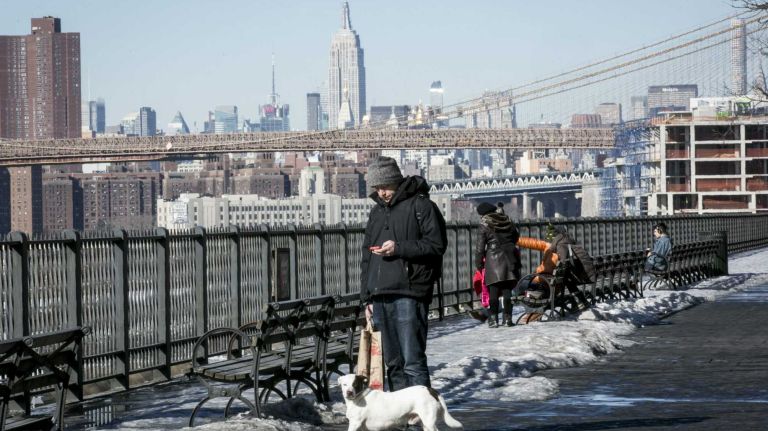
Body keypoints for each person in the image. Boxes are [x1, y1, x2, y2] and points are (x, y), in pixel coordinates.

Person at [360, 156, 447, 391]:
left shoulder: (422, 206)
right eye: (377, 188)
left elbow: (436, 245)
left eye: (385, 186)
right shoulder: (376, 213)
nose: (381, 193)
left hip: (410, 292)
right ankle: (400, 409)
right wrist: (367, 298)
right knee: (393, 364)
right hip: (380, 296)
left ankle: (420, 408)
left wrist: (399, 248)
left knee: (412, 361)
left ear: (396, 181)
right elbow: (367, 257)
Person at [517, 224, 595, 310]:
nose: (547, 240)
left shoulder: (556, 251)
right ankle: (579, 301)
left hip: (546, 283)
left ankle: (529, 306)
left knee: (522, 286)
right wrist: (517, 240)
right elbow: (535, 243)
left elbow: (537, 245)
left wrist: (515, 240)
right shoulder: (566, 245)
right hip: (555, 283)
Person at [474, 202, 521, 327]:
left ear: (483, 214)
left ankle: (493, 319)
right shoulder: (507, 219)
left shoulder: (484, 224)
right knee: (507, 289)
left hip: (493, 259)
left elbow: (479, 248)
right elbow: (516, 237)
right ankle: (508, 318)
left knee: (493, 290)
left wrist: (479, 264)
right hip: (509, 257)